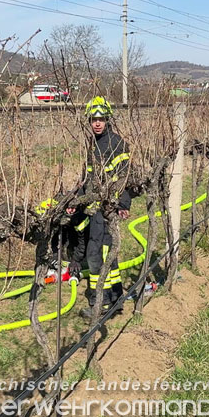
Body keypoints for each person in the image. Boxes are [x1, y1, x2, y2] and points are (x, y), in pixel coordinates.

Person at [68, 96, 131, 319]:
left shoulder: (115, 143)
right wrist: (76, 199)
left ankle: (99, 303)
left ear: (107, 120)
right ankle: (115, 297)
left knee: (96, 254)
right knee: (108, 255)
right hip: (95, 207)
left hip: (106, 209)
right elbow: (89, 178)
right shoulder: (94, 143)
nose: (97, 123)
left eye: (101, 119)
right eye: (93, 119)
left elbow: (124, 176)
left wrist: (123, 204)